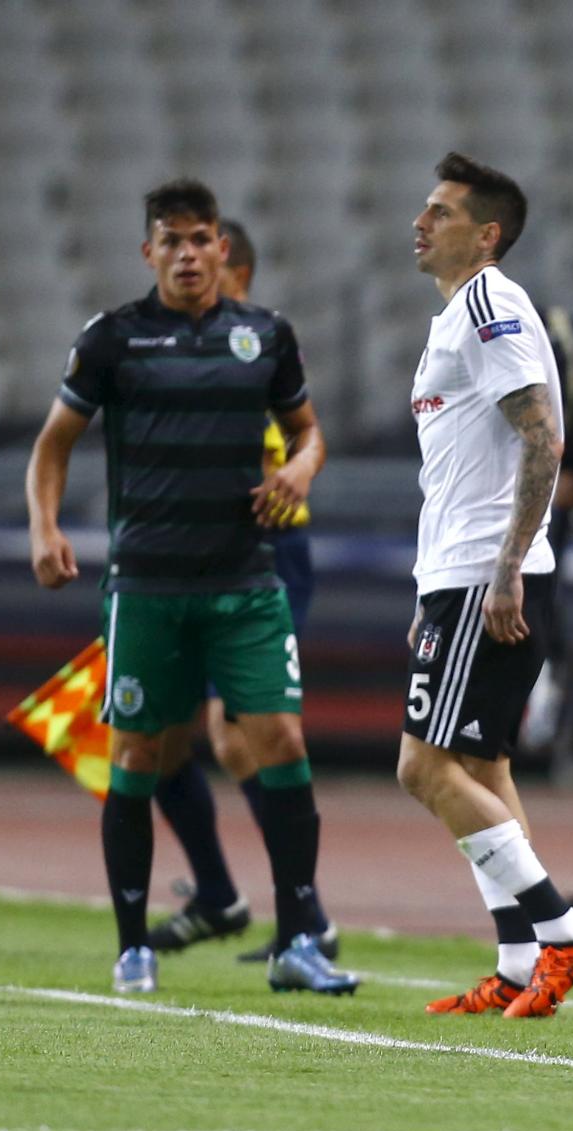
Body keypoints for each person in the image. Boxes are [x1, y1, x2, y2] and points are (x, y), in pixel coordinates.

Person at [24, 178, 353, 995]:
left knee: (282, 743)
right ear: (149, 253)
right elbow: (54, 443)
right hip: (147, 587)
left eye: (200, 239)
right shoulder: (112, 338)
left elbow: (309, 433)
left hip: (246, 584)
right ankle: (132, 945)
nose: (187, 254)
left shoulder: (266, 335)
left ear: (221, 248)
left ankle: (298, 938)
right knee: (139, 754)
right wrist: (44, 526)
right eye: (170, 241)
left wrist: (302, 471)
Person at [398, 152, 573, 1018]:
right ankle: (523, 963)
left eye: (441, 212)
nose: (421, 223)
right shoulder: (456, 315)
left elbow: (543, 437)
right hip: (464, 573)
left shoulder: (490, 305)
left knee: (422, 768)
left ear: (487, 235)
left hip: (488, 574)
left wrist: (506, 567)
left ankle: (567, 932)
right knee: (481, 765)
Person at [145, 217, 338, 961]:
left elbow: (290, 446)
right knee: (160, 737)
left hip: (263, 555)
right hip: (187, 558)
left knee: (239, 731)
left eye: (203, 257)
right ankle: (222, 895)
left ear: (238, 270)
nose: (187, 272)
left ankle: (305, 915)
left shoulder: (257, 347)